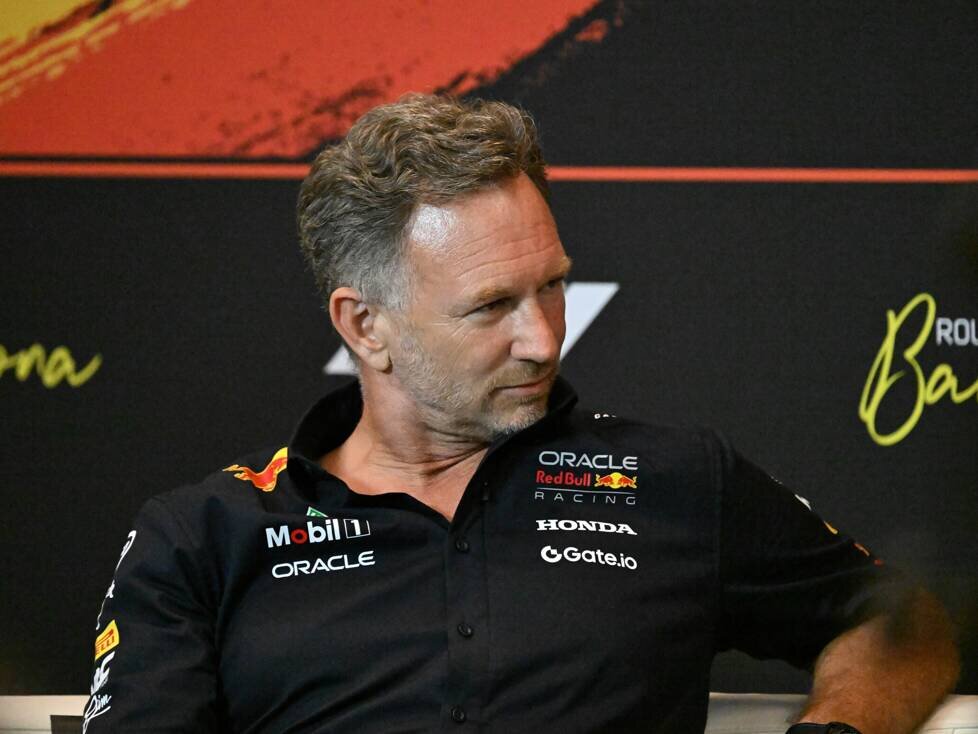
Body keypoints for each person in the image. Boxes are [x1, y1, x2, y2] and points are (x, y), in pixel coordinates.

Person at [83, 94, 958, 734]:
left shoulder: (676, 480)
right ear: (365, 326)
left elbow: (901, 623)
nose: (542, 340)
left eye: (553, 287)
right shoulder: (203, 537)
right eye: (491, 306)